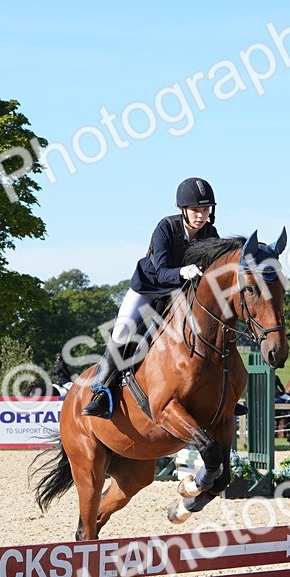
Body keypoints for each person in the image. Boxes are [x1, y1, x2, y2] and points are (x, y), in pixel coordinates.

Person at [82, 177, 221, 418]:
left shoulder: (211, 233)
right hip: (149, 288)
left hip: (180, 293)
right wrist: (183, 271)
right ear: (183, 210)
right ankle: (101, 391)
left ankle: (220, 392)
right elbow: (161, 271)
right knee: (122, 331)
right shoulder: (166, 228)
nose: (201, 215)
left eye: (206, 210)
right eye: (196, 210)